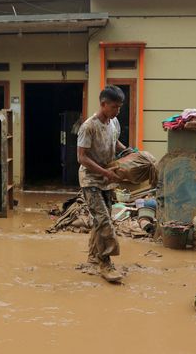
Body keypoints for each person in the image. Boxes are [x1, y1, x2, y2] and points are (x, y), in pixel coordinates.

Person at [77, 85, 128, 283]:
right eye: (114, 107)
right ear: (103, 104)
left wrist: (129, 152)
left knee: (102, 220)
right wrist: (104, 171)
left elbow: (115, 143)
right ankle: (105, 263)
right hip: (90, 179)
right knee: (104, 220)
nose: (118, 111)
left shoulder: (114, 122)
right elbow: (81, 157)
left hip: (107, 179)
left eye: (120, 107)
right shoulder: (88, 127)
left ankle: (92, 257)